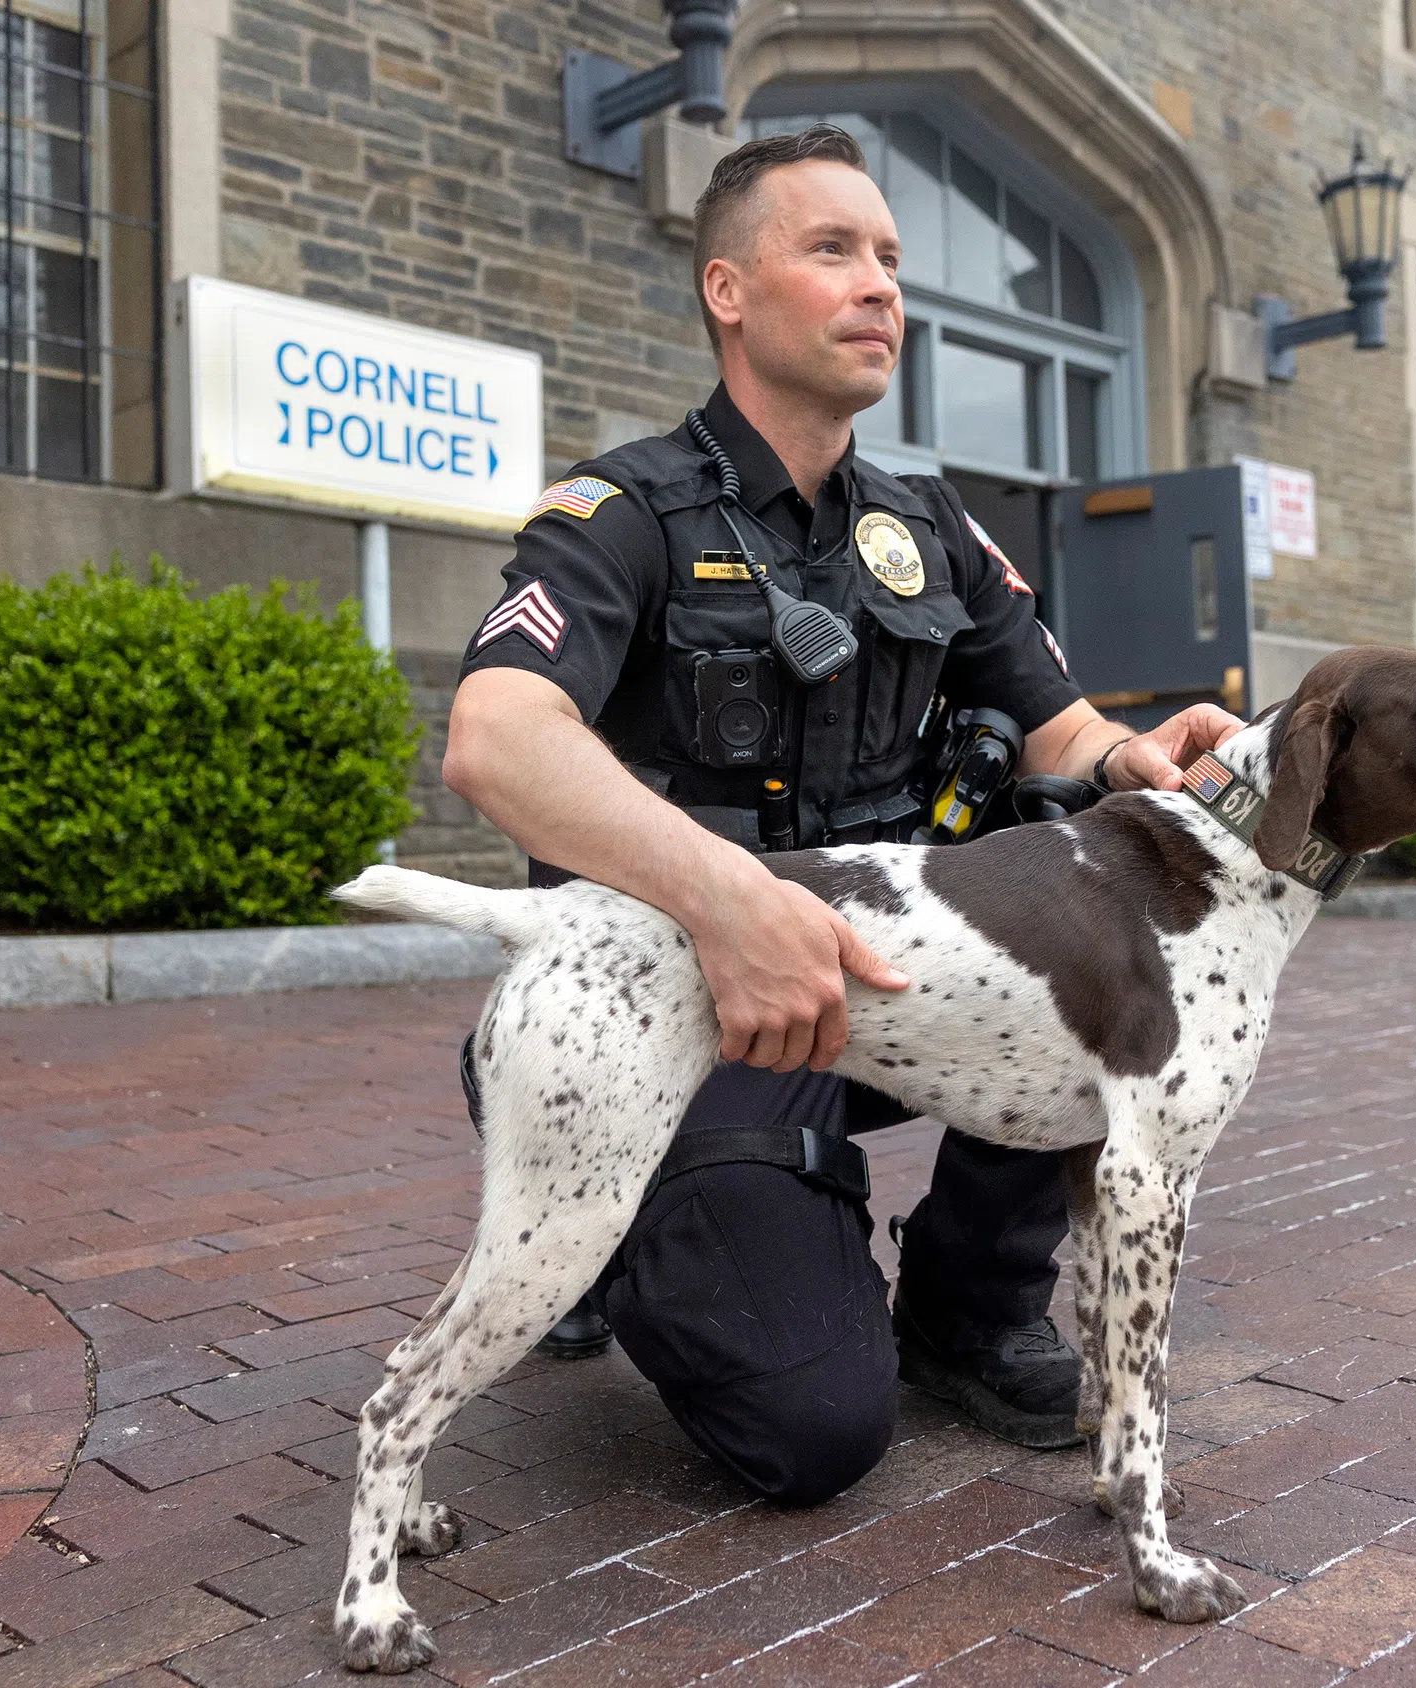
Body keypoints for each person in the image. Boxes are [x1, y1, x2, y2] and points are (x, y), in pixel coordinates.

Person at [441, 122, 1242, 1507]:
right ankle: (603, 1195)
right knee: (810, 1434)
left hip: (885, 982)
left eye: (890, 257)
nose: (883, 286)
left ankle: (968, 1313)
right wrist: (729, 899)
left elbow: (1060, 726)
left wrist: (1134, 756)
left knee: (1080, 901)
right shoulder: (621, 511)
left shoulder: (928, 524)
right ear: (728, 293)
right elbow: (495, 740)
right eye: (834, 251)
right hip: (697, 993)